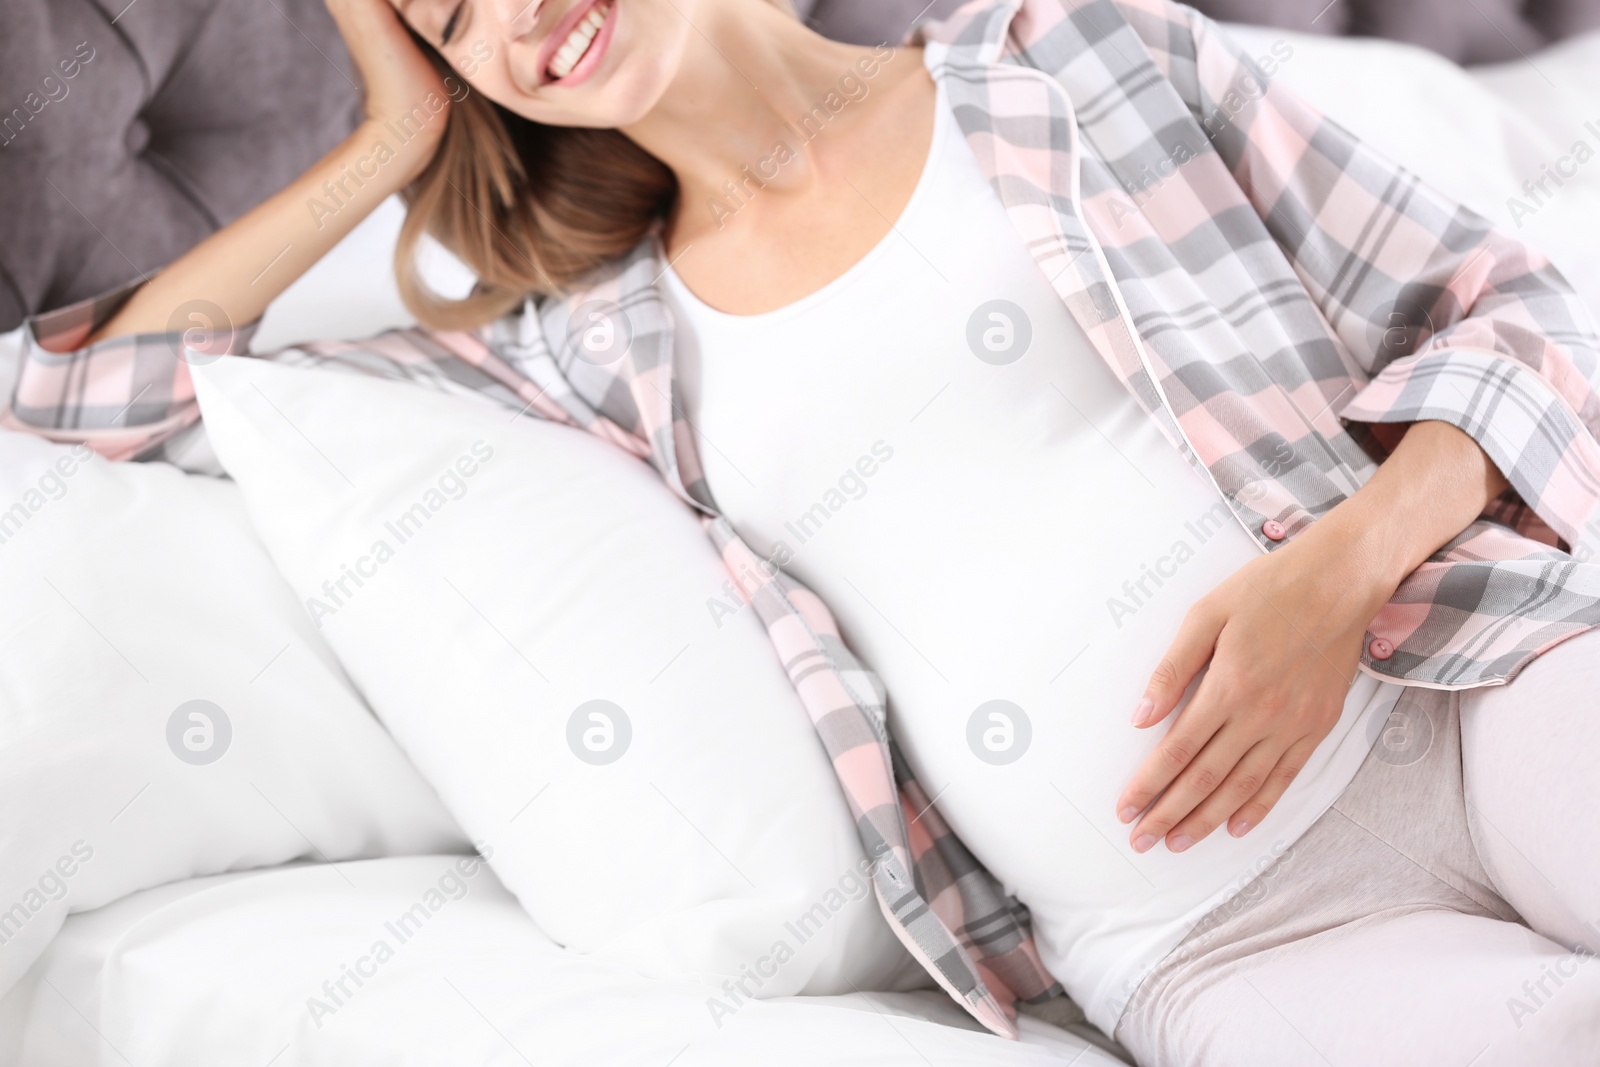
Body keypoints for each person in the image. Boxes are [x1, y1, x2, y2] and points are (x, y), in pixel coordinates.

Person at [8, 0, 1600, 1062]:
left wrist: (1344, 564)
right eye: (445, 11)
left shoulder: (1072, 63)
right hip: (1218, 942)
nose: (506, 10)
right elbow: (89, 401)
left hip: (1469, 696)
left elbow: (1516, 303)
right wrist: (389, 138)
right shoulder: (592, 340)